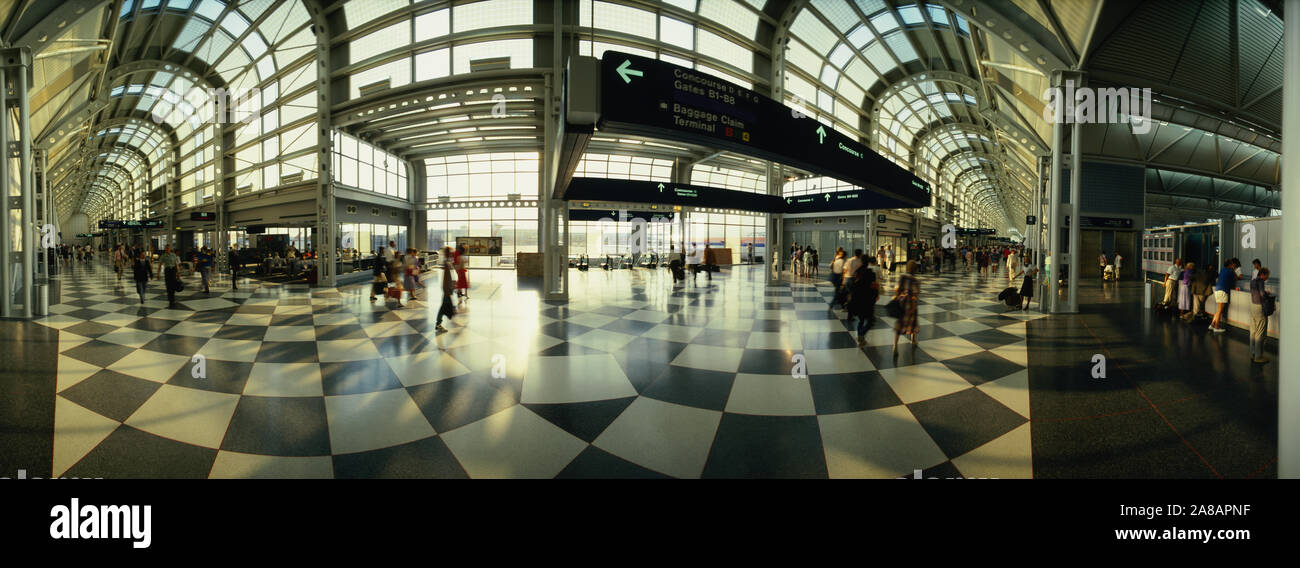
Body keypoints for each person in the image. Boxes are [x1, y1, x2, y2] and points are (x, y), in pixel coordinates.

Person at [847, 258, 879, 346]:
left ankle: (860, 335)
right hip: (868, 299)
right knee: (870, 321)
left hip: (858, 300)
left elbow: (852, 286)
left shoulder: (857, 272)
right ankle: (861, 334)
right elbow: (874, 285)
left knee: (861, 320)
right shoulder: (870, 273)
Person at [892, 260, 920, 353]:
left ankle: (895, 345)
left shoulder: (902, 277)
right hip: (910, 304)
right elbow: (915, 295)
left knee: (900, 324)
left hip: (901, 303)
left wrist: (897, 297)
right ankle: (913, 340)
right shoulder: (915, 280)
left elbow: (897, 289)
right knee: (913, 322)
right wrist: (914, 306)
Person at [1211, 258, 1244, 333]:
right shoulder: (1230, 271)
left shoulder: (1222, 269)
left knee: (1218, 310)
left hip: (1217, 290)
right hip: (1223, 291)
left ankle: (1212, 324)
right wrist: (1233, 270)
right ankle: (1216, 327)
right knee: (1220, 310)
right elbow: (1237, 277)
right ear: (1230, 265)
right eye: (1232, 264)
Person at [1249, 267, 1272, 364]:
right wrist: (1266, 295)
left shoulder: (1253, 281)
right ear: (1263, 274)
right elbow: (1262, 294)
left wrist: (1263, 292)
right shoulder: (1261, 281)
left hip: (1253, 306)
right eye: (1267, 275)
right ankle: (1258, 357)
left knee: (1253, 331)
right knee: (1260, 332)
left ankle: (1253, 353)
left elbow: (1256, 292)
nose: (1267, 278)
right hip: (1259, 308)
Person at [435, 247, 457, 333]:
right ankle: (438, 324)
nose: (453, 253)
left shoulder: (448, 262)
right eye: (451, 252)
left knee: (443, 307)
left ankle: (438, 323)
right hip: (447, 289)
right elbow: (446, 279)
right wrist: (448, 290)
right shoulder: (447, 263)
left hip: (448, 289)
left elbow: (450, 277)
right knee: (444, 307)